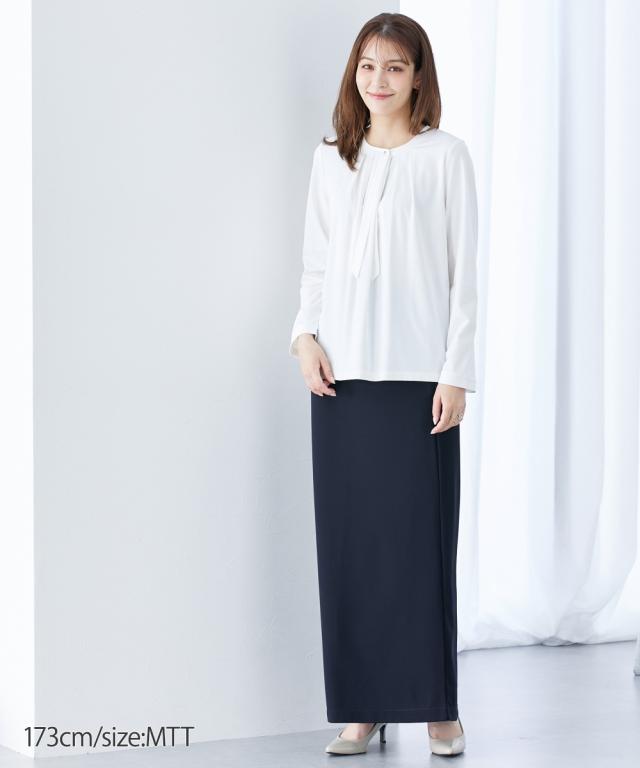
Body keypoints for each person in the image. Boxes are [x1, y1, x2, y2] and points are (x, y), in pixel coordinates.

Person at [289, 12, 477, 758]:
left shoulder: (446, 157)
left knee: (420, 549)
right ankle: (363, 709)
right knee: (352, 550)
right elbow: (315, 264)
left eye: (395, 67)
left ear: (418, 76)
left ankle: (436, 708)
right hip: (341, 382)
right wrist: (304, 337)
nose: (379, 80)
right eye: (367, 66)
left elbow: (465, 276)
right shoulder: (331, 160)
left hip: (418, 382)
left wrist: (457, 372)